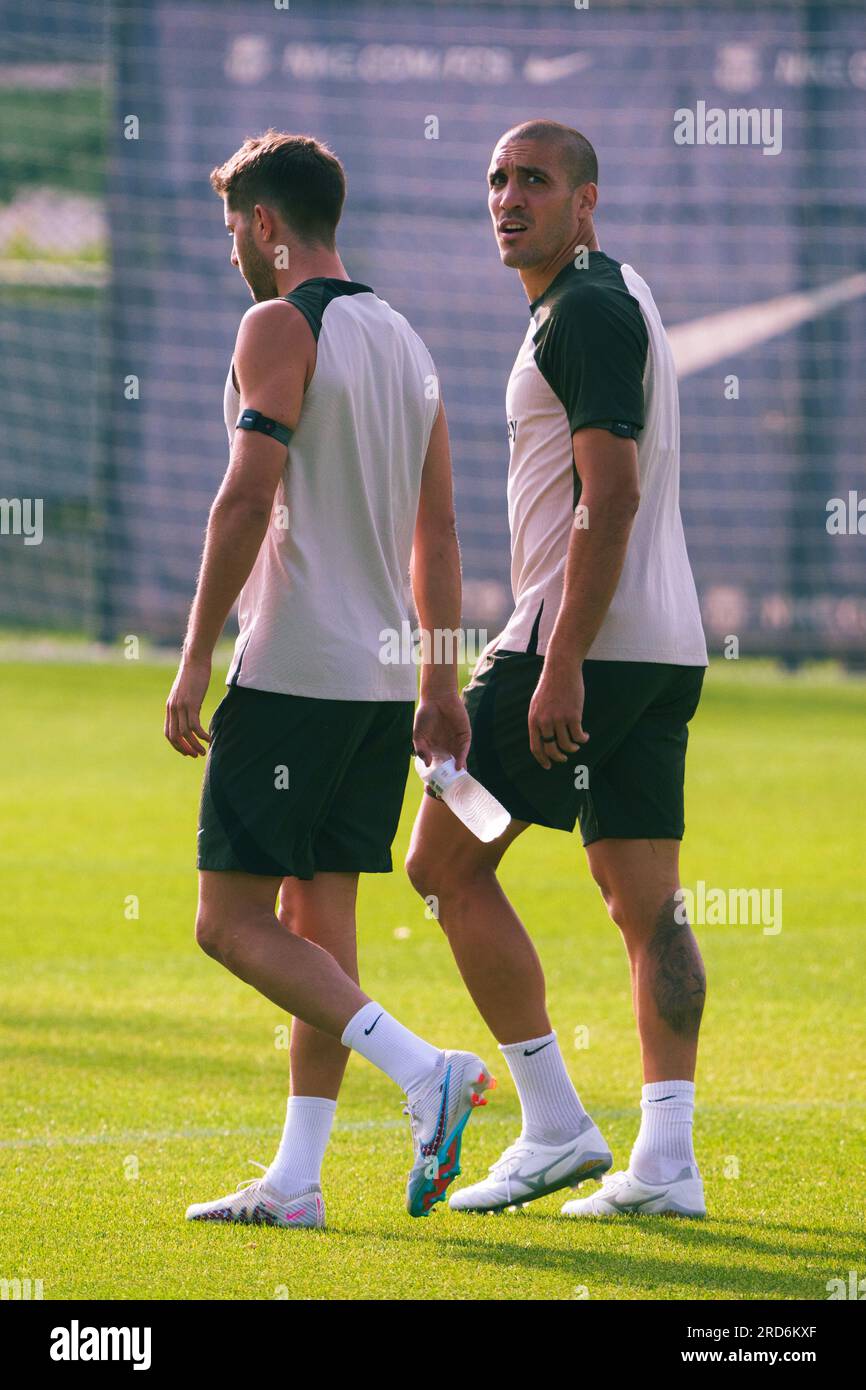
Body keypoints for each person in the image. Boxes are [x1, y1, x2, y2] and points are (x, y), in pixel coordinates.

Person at [164, 129, 491, 1228]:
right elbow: (437, 528)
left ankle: (422, 1069)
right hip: (380, 678)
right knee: (317, 916)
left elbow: (244, 497)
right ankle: (298, 1180)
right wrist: (439, 681)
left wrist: (196, 651)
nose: (233, 254)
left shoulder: (276, 321)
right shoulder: (405, 338)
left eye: (231, 231)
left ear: (266, 225)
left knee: (226, 921)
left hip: (296, 665)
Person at [405, 120, 710, 1218]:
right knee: (646, 905)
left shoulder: (579, 308)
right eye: (494, 179)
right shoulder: (611, 290)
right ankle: (665, 1159)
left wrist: (560, 662)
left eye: (533, 180)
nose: (507, 197)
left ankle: (552, 1125)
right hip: (662, 651)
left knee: (439, 864)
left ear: (585, 199)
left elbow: (610, 495)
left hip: (574, 649)